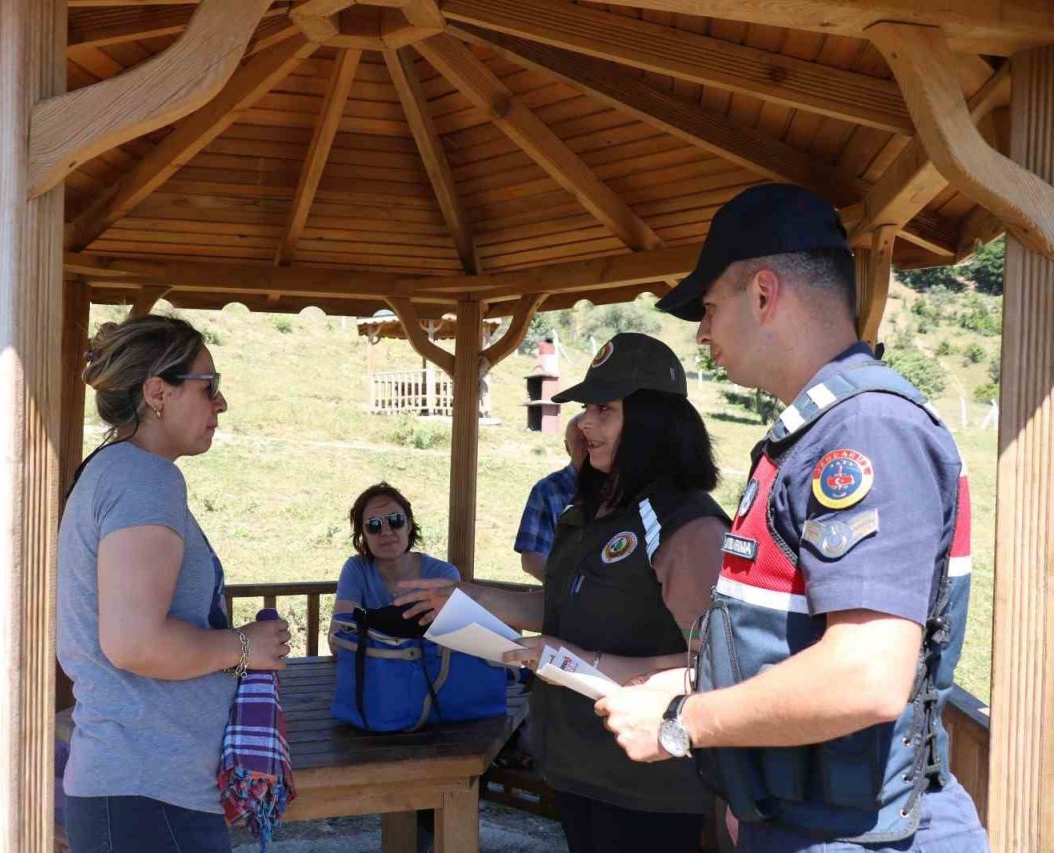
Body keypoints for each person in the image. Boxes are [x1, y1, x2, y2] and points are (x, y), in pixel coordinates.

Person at [597, 183, 986, 852]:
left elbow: (865, 675)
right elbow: (789, 640)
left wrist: (682, 721)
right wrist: (692, 681)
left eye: (710, 307)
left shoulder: (867, 429)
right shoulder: (818, 432)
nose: (703, 333)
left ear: (764, 294)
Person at [397, 333, 728, 853]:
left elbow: (714, 665)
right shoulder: (590, 510)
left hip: (646, 784)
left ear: (651, 423)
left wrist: (576, 659)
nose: (583, 425)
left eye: (603, 410)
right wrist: (464, 597)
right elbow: (560, 607)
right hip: (576, 768)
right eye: (584, 410)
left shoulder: (688, 525)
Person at [58, 315, 292, 853]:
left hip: (140, 791)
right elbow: (135, 643)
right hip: (147, 793)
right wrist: (244, 647)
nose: (221, 403)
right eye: (208, 385)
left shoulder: (117, 472)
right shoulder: (145, 477)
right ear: (157, 392)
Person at [332, 482, 458, 618]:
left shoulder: (443, 575)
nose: (386, 531)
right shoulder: (357, 569)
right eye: (374, 525)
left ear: (409, 526)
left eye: (395, 520)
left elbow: (456, 635)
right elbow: (339, 631)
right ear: (363, 534)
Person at [514, 414, 586, 580]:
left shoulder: (619, 487)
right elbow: (532, 559)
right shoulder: (548, 490)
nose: (588, 447)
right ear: (567, 448)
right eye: (581, 441)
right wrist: (568, 590)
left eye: (592, 441)